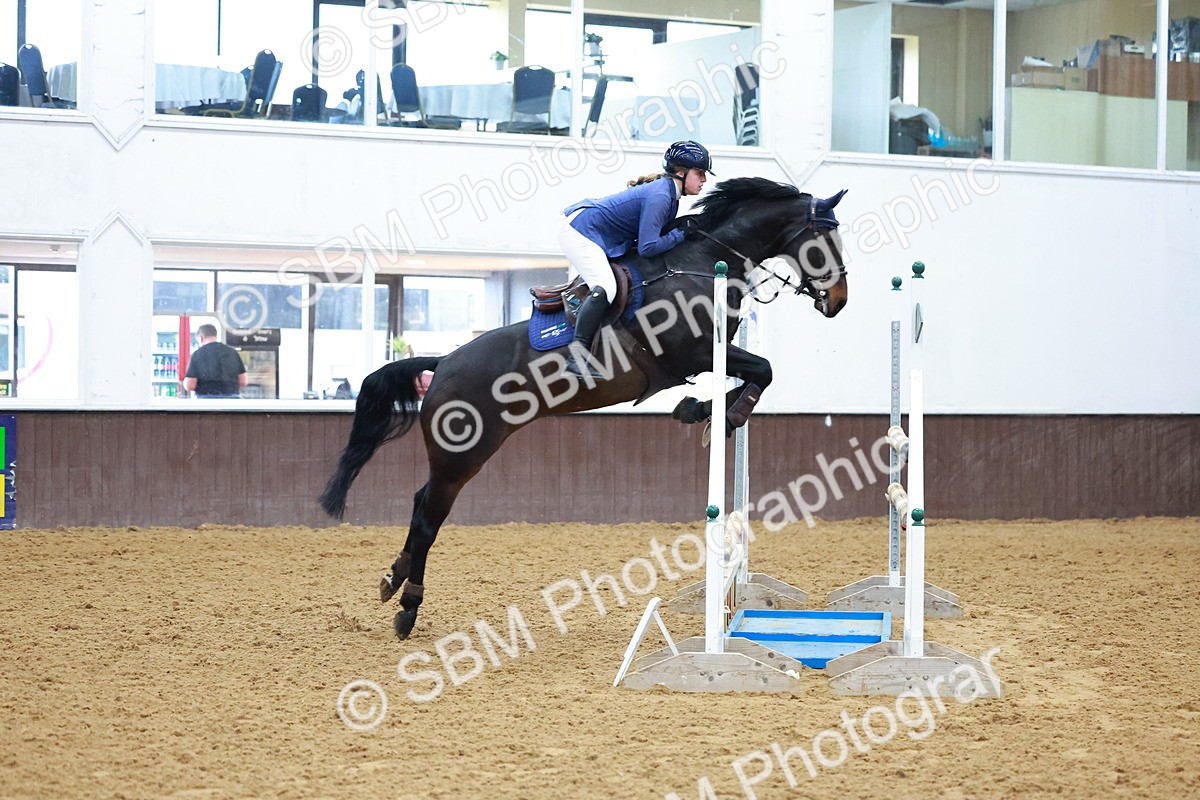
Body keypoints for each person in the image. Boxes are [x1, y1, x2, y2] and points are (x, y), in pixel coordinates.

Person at [558, 140, 714, 379]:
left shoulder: (670, 195)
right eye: (700, 173)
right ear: (681, 172)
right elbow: (648, 247)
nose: (704, 180)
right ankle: (576, 358)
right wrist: (681, 234)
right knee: (606, 288)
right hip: (581, 231)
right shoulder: (661, 196)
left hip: (594, 230)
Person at [183, 324, 248, 398]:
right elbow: (243, 381)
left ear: (201, 338)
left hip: (206, 400)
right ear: (215, 335)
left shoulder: (197, 354)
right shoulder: (232, 352)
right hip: (231, 400)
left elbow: (190, 385)